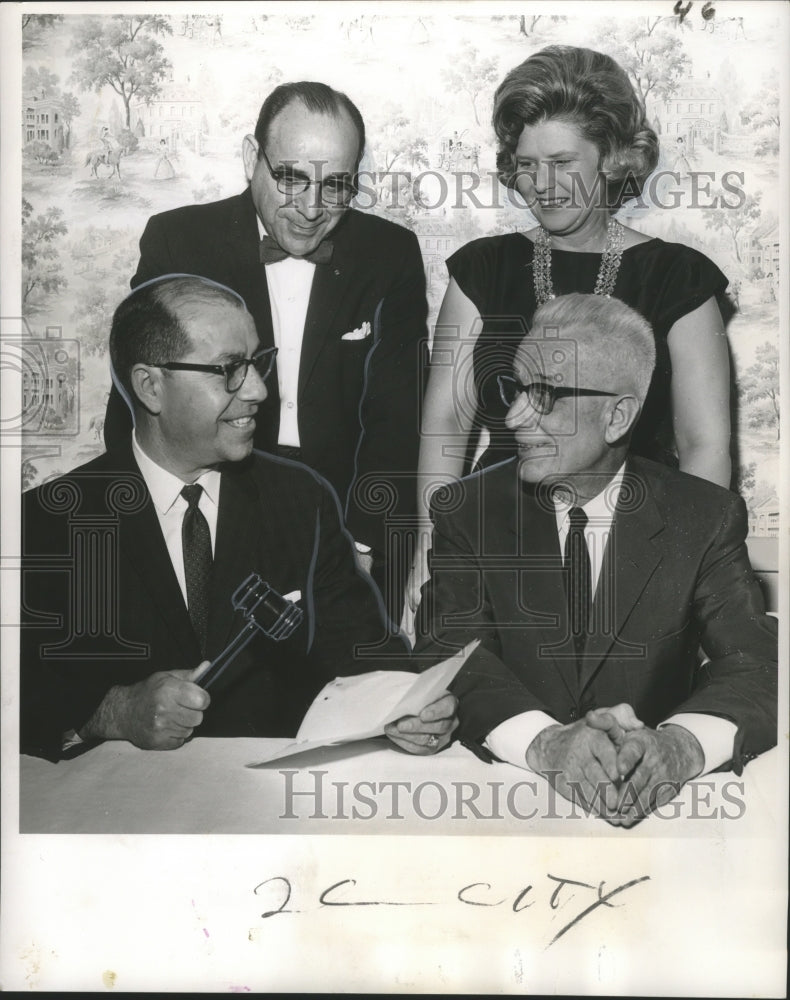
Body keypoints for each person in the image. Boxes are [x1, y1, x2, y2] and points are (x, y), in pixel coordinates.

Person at [21, 276, 455, 763]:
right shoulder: (45, 522)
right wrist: (113, 712)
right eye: (230, 369)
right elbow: (19, 690)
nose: (259, 389)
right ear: (150, 387)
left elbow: (363, 647)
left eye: (257, 362)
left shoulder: (300, 496)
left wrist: (408, 704)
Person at [414, 294, 776, 827]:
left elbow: (756, 664)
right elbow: (450, 652)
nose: (514, 416)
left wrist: (680, 747)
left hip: (658, 820)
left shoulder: (704, 517)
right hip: (505, 805)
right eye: (515, 389)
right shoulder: (467, 510)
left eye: (544, 396)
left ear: (617, 416)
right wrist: (544, 743)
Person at [409, 45, 732, 608]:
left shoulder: (678, 279)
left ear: (610, 158)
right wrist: (430, 549)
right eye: (528, 165)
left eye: (562, 162)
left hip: (638, 542)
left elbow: (704, 445)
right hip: (500, 539)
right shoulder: (482, 270)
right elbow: (446, 423)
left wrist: (683, 571)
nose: (543, 184)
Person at [103, 81, 428, 626]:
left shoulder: (389, 253)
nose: (310, 208)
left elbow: (397, 419)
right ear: (252, 157)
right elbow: (137, 408)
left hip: (347, 515)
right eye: (290, 177)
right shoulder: (179, 240)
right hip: (216, 503)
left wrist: (364, 546)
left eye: (336, 185)